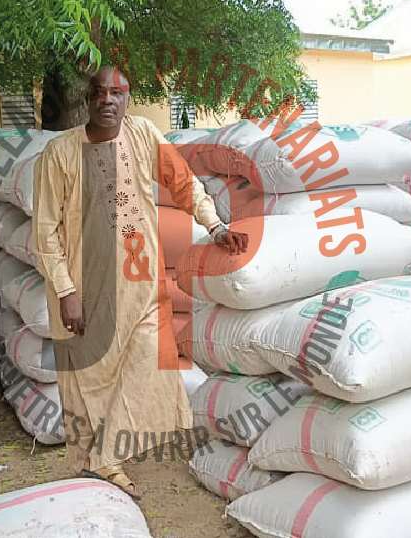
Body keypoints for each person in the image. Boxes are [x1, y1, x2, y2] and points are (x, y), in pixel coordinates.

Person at [32, 67, 248, 499]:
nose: (107, 100)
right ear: (88, 99)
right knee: (93, 377)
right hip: (83, 288)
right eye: (99, 92)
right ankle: (104, 464)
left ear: (128, 98)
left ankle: (103, 458)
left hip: (141, 282)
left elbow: (183, 184)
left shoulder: (144, 135)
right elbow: (44, 230)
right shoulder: (59, 153)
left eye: (117, 92)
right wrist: (65, 291)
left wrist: (214, 225)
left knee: (148, 359)